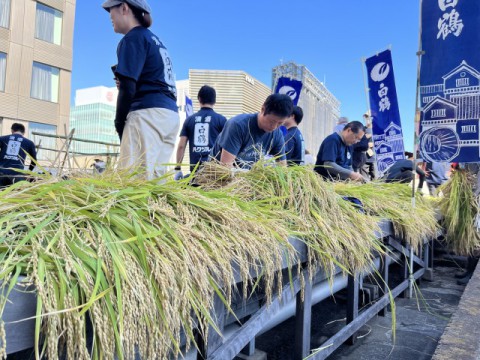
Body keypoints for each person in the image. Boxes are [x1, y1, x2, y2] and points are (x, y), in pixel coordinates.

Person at [102, 0, 179, 180]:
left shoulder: (132, 39)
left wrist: (119, 124)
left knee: (132, 182)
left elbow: (128, 88)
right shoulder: (155, 40)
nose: (109, 16)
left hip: (147, 116)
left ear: (124, 7)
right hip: (169, 116)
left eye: (110, 10)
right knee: (156, 181)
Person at [210, 94, 292, 168]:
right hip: (218, 176)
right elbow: (225, 166)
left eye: (280, 123)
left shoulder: (277, 134)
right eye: (272, 122)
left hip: (245, 177)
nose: (274, 127)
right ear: (263, 109)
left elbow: (282, 168)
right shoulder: (238, 125)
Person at [175, 85, 227, 179]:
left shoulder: (189, 120)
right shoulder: (221, 120)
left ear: (199, 99)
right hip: (214, 175)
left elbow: (181, 146)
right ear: (214, 101)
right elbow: (227, 146)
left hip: (195, 173)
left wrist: (178, 169)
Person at [0, 123, 37, 187]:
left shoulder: (2, 139)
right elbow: (34, 160)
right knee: (13, 195)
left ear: (12, 130)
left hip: (1, 173)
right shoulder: (29, 143)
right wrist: (29, 172)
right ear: (24, 132)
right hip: (17, 175)